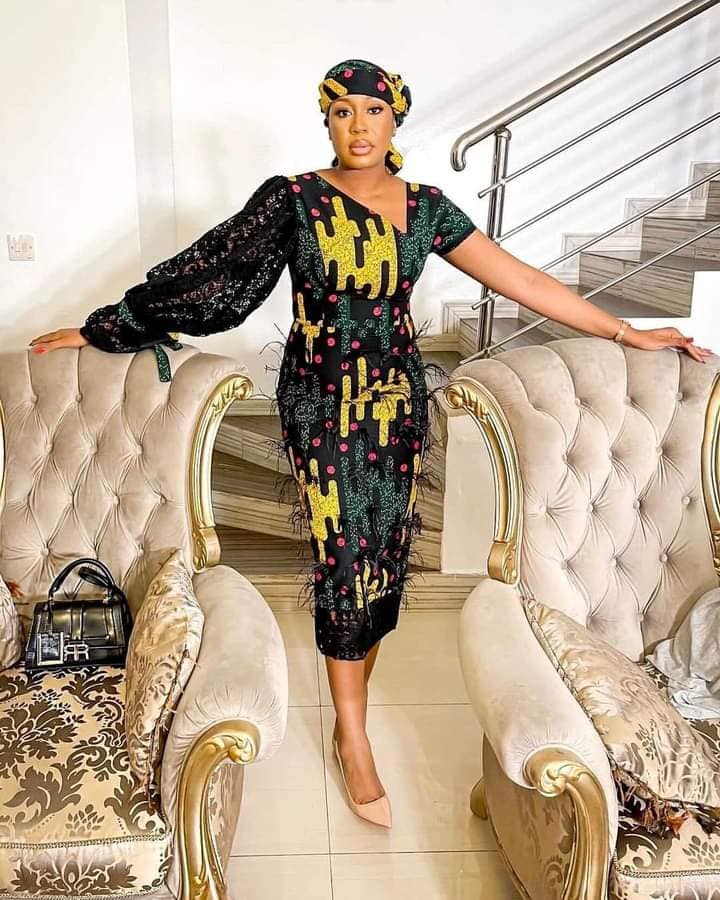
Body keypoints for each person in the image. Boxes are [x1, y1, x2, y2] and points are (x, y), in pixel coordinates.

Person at [30, 58, 713, 829]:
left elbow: (521, 281)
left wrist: (626, 332)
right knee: (345, 556)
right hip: (321, 399)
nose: (358, 125)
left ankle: (348, 713)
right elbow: (210, 275)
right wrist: (108, 328)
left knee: (380, 558)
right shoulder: (293, 200)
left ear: (395, 120)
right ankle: (353, 737)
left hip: (395, 401)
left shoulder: (427, 209)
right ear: (327, 121)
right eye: (343, 111)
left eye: (373, 110)